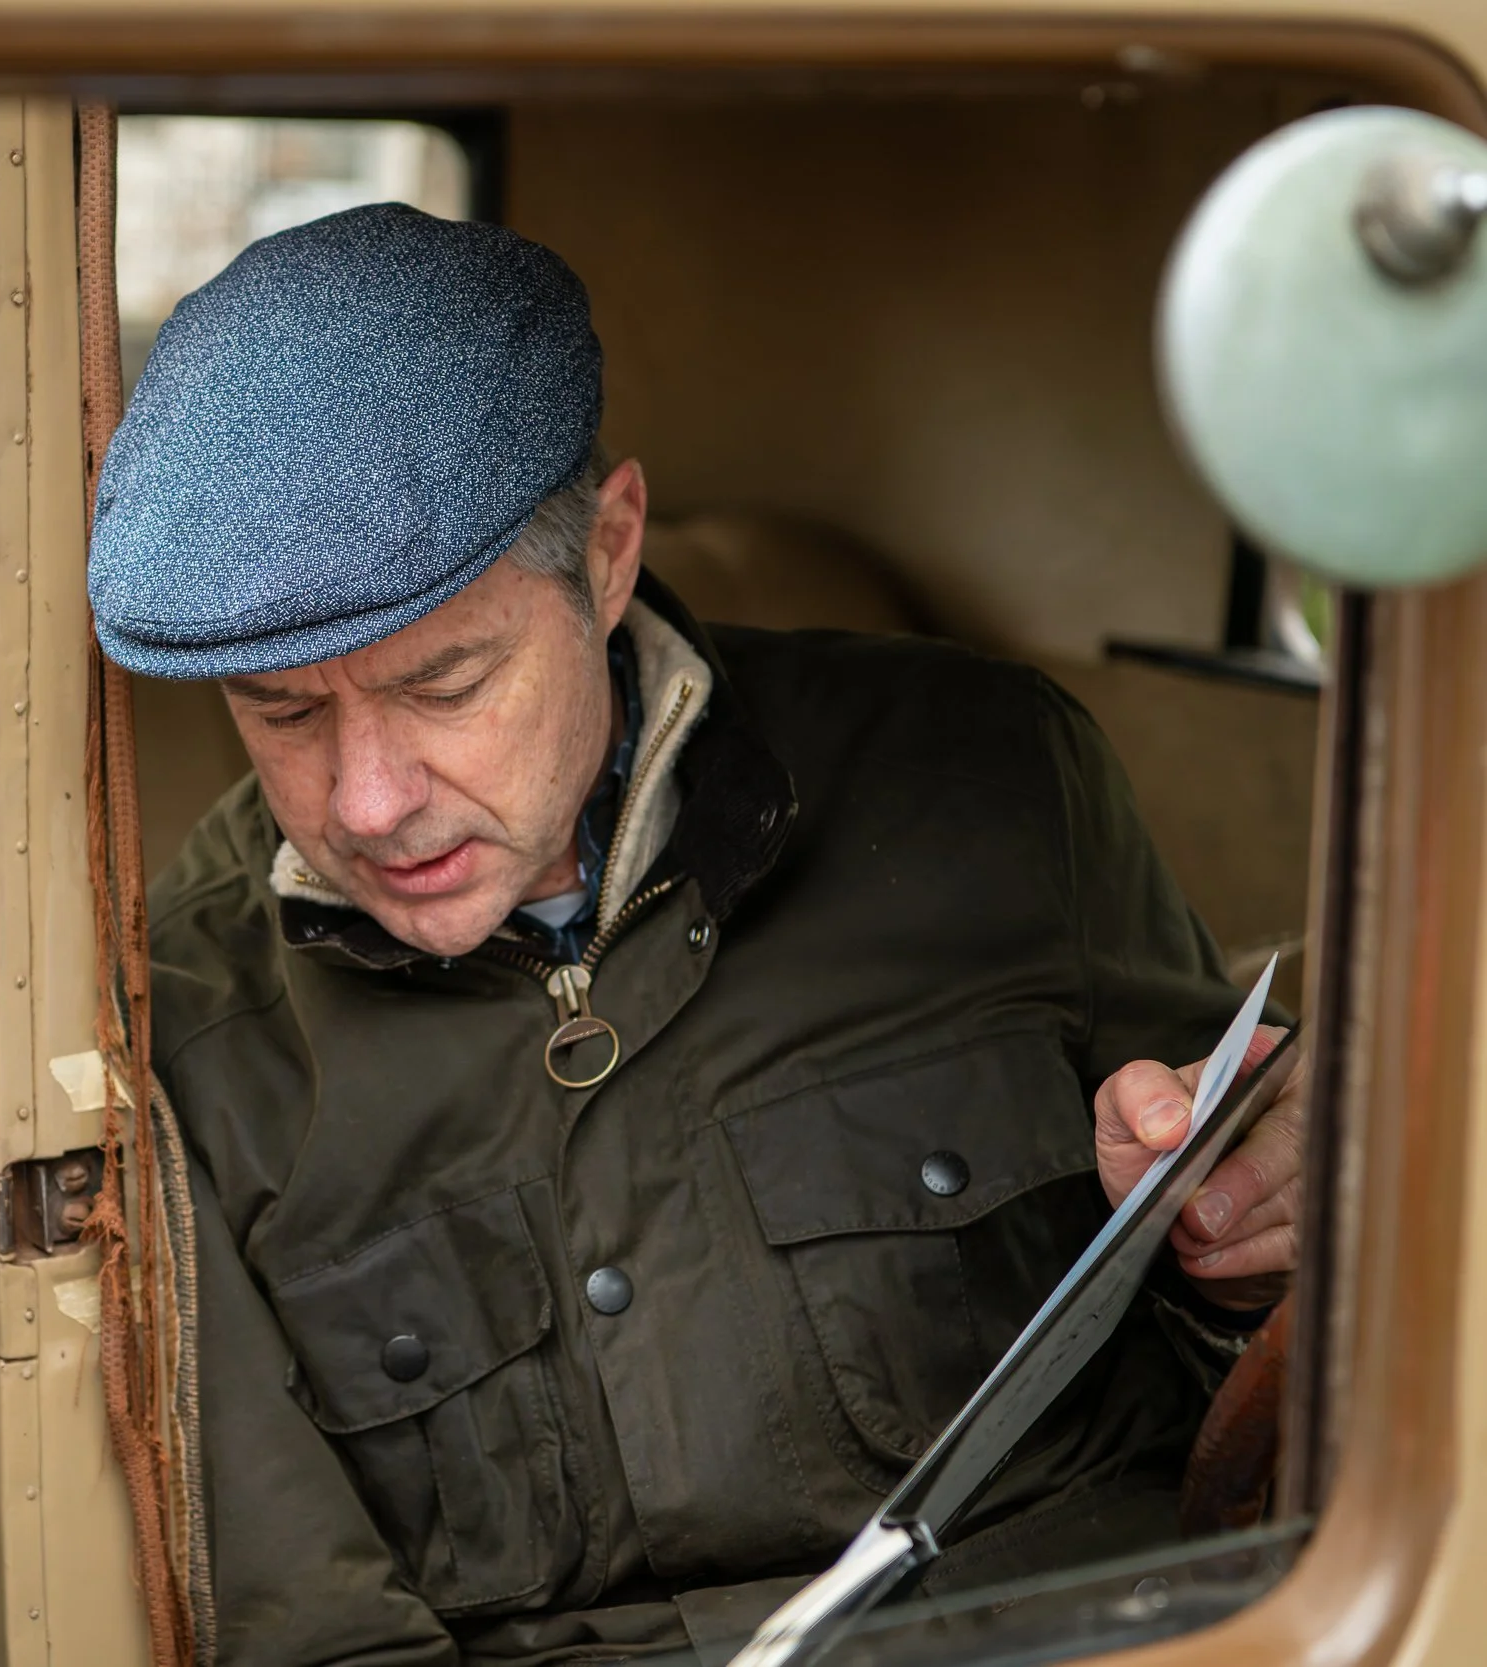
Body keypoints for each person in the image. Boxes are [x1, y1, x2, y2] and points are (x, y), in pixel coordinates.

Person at [88, 204, 1303, 1665]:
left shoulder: (993, 781)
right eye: (283, 713)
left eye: (448, 683)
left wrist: (1244, 1256)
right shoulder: (182, 1028)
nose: (369, 798)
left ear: (607, 555)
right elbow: (321, 1634)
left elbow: (1261, 1375)